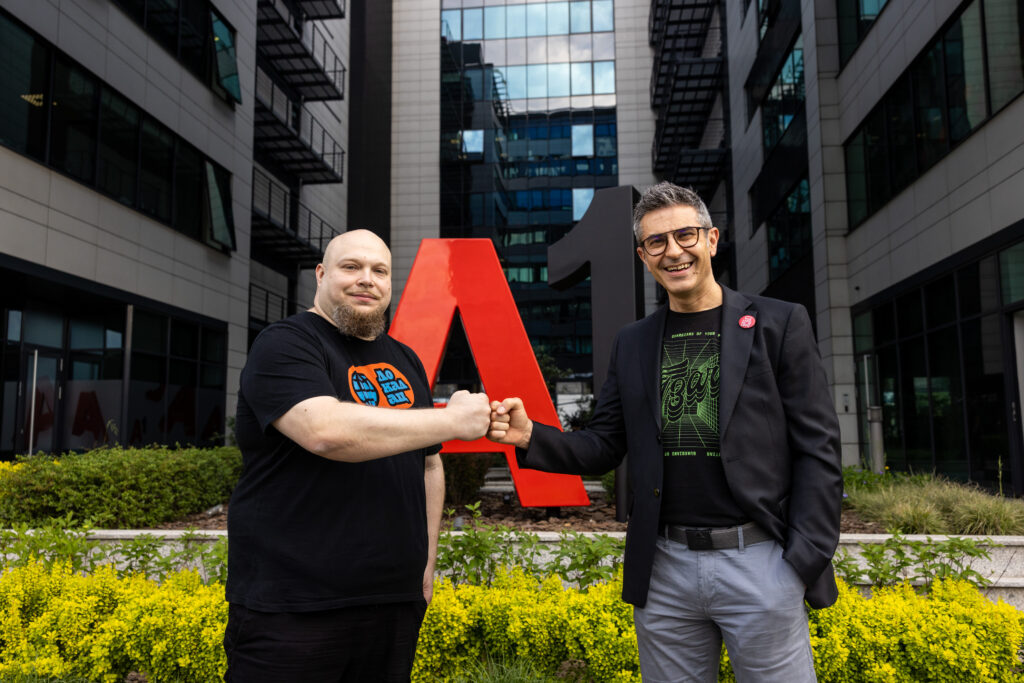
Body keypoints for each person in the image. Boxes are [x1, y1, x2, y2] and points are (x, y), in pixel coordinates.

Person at [488, 182, 842, 682]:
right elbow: (604, 444)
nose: (673, 251)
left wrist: (801, 558)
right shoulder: (633, 342)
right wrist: (531, 436)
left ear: (711, 239)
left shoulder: (778, 324)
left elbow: (818, 448)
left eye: (685, 235)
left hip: (761, 561)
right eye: (656, 242)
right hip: (664, 571)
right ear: (643, 256)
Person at [225, 229, 491, 682]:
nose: (367, 279)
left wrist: (425, 564)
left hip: (393, 603)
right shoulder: (285, 342)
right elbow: (324, 431)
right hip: (293, 607)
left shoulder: (405, 358)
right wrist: (452, 420)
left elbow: (428, 464)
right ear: (321, 274)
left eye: (379, 270)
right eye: (351, 267)